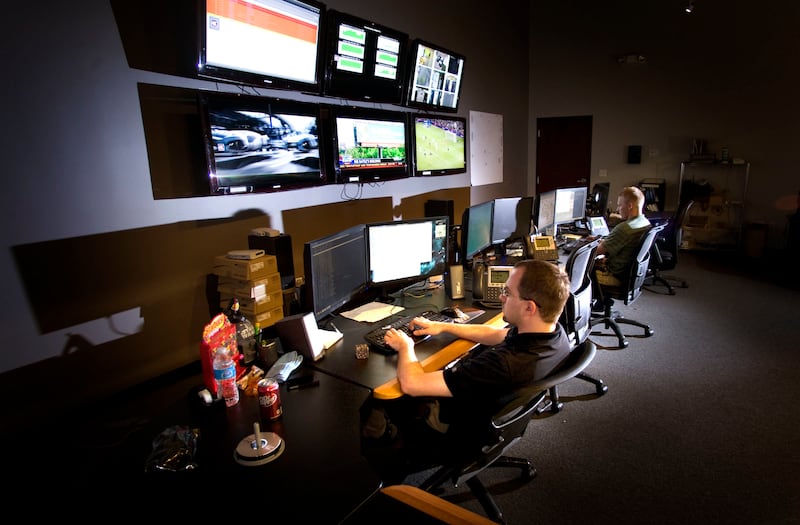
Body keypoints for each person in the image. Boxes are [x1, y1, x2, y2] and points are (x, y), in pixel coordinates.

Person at [360, 259, 572, 485]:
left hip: (453, 431)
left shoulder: (502, 365)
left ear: (529, 307)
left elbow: (413, 383)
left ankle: (384, 466)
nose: (501, 297)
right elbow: (495, 334)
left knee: (379, 396)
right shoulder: (553, 334)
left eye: (507, 293)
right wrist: (444, 326)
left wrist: (405, 346)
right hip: (486, 412)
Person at [593, 186, 652, 287]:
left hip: (613, 276)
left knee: (572, 273)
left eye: (619, 205)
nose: (617, 209)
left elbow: (597, 251)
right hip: (628, 275)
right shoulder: (645, 222)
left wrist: (584, 244)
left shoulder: (624, 228)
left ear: (629, 206)